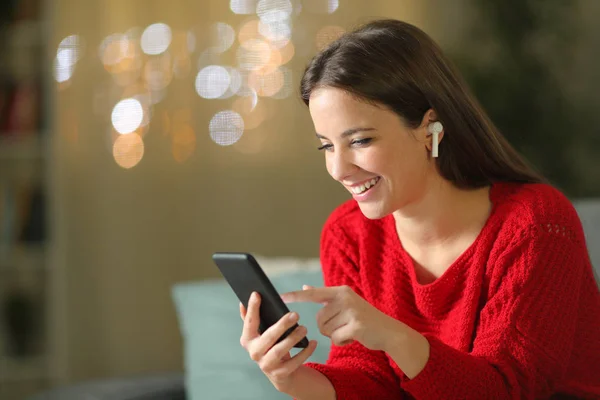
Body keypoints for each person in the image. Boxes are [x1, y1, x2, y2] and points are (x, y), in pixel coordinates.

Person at [239, 19, 600, 399]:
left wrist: (394, 337)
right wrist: (289, 379)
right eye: (327, 146)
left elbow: (509, 390)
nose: (339, 170)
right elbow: (370, 382)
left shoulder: (535, 224)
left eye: (360, 140)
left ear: (430, 128)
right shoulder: (348, 234)